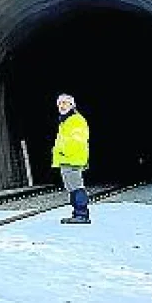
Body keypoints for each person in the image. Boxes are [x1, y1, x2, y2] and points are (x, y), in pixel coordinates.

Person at [52, 93, 91, 224]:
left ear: (72, 105)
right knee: (72, 188)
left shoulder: (75, 120)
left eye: (65, 103)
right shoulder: (66, 121)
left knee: (77, 187)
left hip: (72, 159)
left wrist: (63, 151)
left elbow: (77, 141)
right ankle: (77, 213)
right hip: (66, 159)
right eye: (59, 104)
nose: (61, 106)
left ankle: (82, 214)